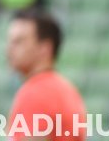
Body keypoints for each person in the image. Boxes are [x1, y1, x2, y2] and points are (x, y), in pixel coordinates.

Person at [6, 9, 86, 141]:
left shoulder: (36, 93)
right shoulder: (65, 89)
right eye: (10, 41)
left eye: (19, 41)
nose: (9, 48)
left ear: (45, 48)